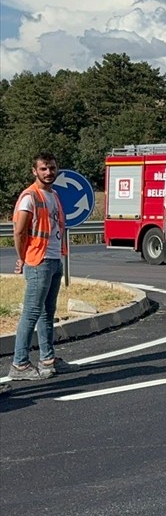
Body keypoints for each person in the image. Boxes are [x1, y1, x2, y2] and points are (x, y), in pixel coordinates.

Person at [8, 152, 78, 381]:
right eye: (44, 169)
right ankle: (19, 364)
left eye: (52, 168)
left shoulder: (54, 195)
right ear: (34, 171)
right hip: (38, 260)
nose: (49, 173)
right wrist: (24, 257)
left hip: (54, 259)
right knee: (31, 313)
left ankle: (48, 359)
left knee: (47, 314)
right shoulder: (30, 196)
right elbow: (18, 232)